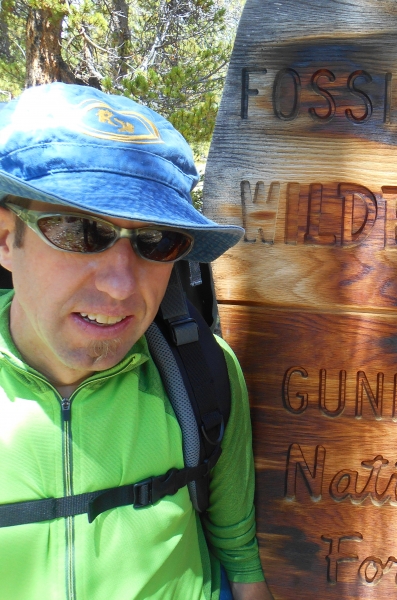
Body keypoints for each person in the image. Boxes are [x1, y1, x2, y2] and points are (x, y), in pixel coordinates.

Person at [0, 83, 272, 600]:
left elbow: (239, 556)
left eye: (156, 241)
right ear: (4, 238)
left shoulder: (202, 371)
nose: (122, 285)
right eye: (80, 231)